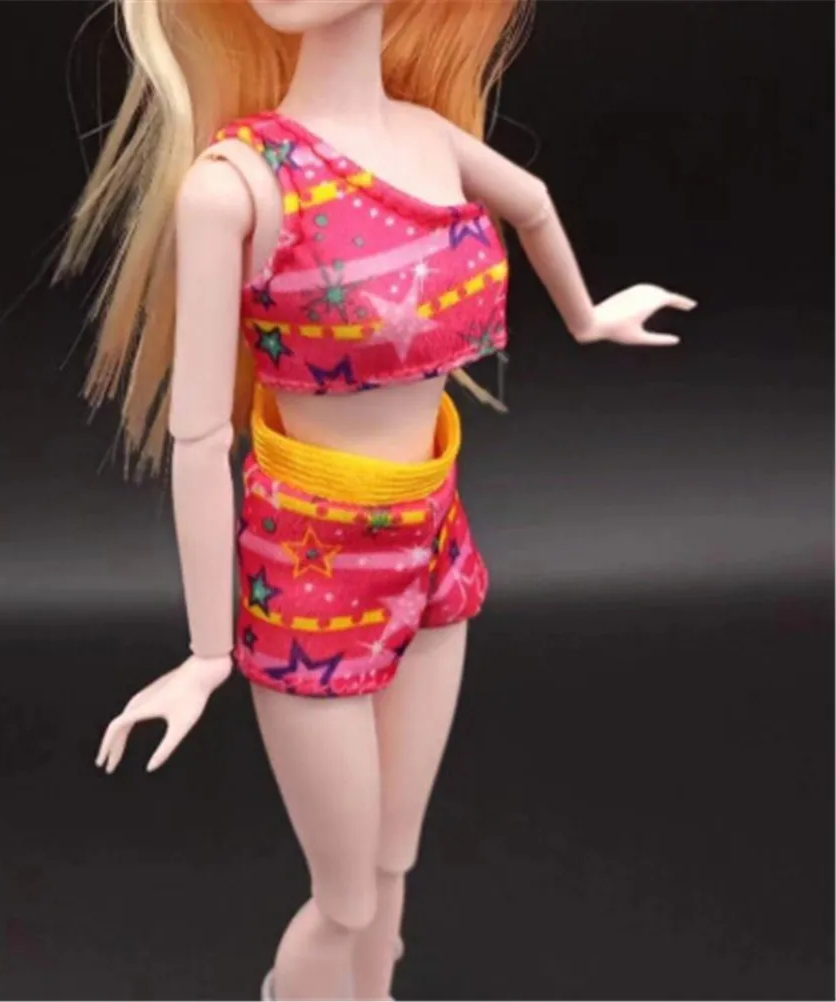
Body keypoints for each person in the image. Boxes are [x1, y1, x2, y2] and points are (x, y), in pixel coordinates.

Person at [57, 2, 696, 998]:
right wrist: (208, 653)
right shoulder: (237, 184)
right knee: (345, 900)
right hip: (311, 573)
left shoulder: (431, 140)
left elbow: (531, 204)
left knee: (395, 864)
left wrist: (589, 316)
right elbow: (200, 441)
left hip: (434, 545)